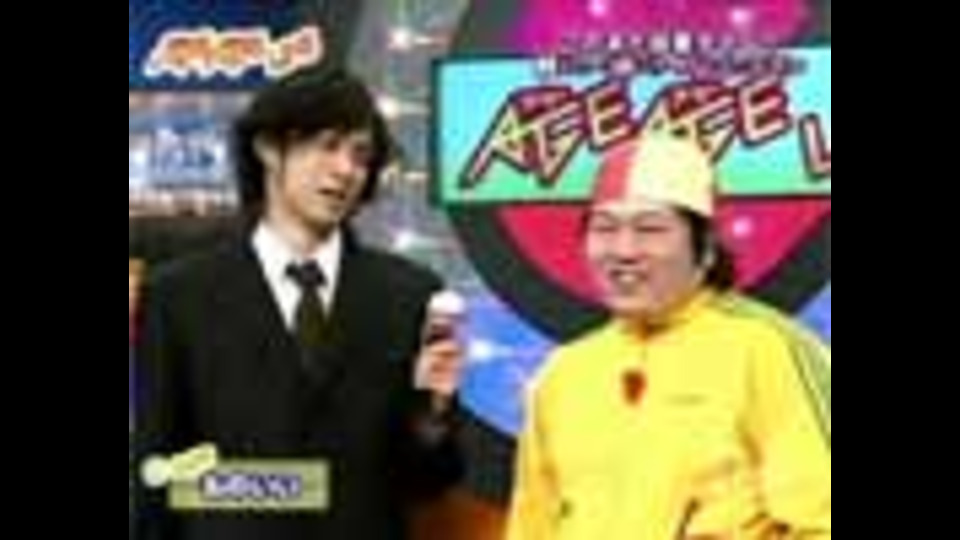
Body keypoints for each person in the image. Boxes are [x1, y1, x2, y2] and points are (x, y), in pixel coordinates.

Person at [133, 63, 464, 540]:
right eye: (327, 145)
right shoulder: (179, 297)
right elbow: (157, 474)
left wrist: (434, 413)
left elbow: (427, 482)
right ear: (268, 148)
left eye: (360, 155)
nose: (345, 170)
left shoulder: (409, 296)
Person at [505, 133, 831, 539]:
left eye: (650, 229)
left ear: (706, 248)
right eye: (605, 228)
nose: (623, 251)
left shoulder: (769, 350)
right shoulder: (564, 372)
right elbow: (531, 525)